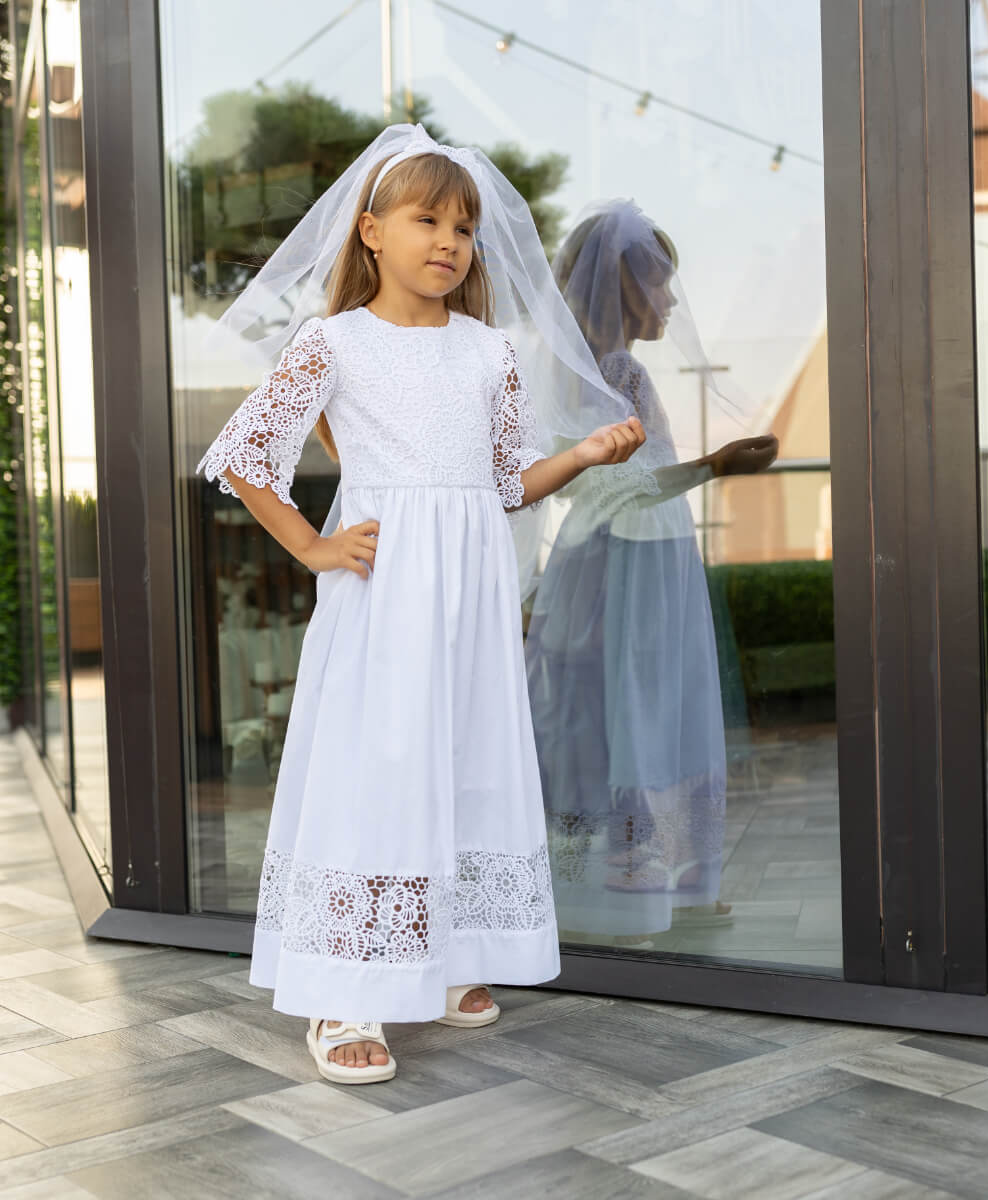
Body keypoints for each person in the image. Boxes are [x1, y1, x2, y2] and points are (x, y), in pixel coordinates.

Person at [196, 126, 645, 1085]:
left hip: (471, 601)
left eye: (466, 227)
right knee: (378, 768)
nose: (449, 240)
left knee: (463, 758)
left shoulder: (488, 352)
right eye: (427, 219)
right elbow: (245, 455)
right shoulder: (334, 342)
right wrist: (314, 545)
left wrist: (584, 455)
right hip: (386, 592)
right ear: (370, 232)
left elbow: (507, 481)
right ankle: (343, 993)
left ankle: (444, 959)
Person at [523, 201, 777, 947]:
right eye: (660, 285)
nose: (669, 302)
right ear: (624, 288)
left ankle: (633, 876)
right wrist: (715, 465)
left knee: (612, 708)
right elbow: (612, 485)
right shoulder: (615, 373)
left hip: (625, 555)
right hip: (625, 562)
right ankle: (643, 879)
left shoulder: (590, 370)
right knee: (641, 704)